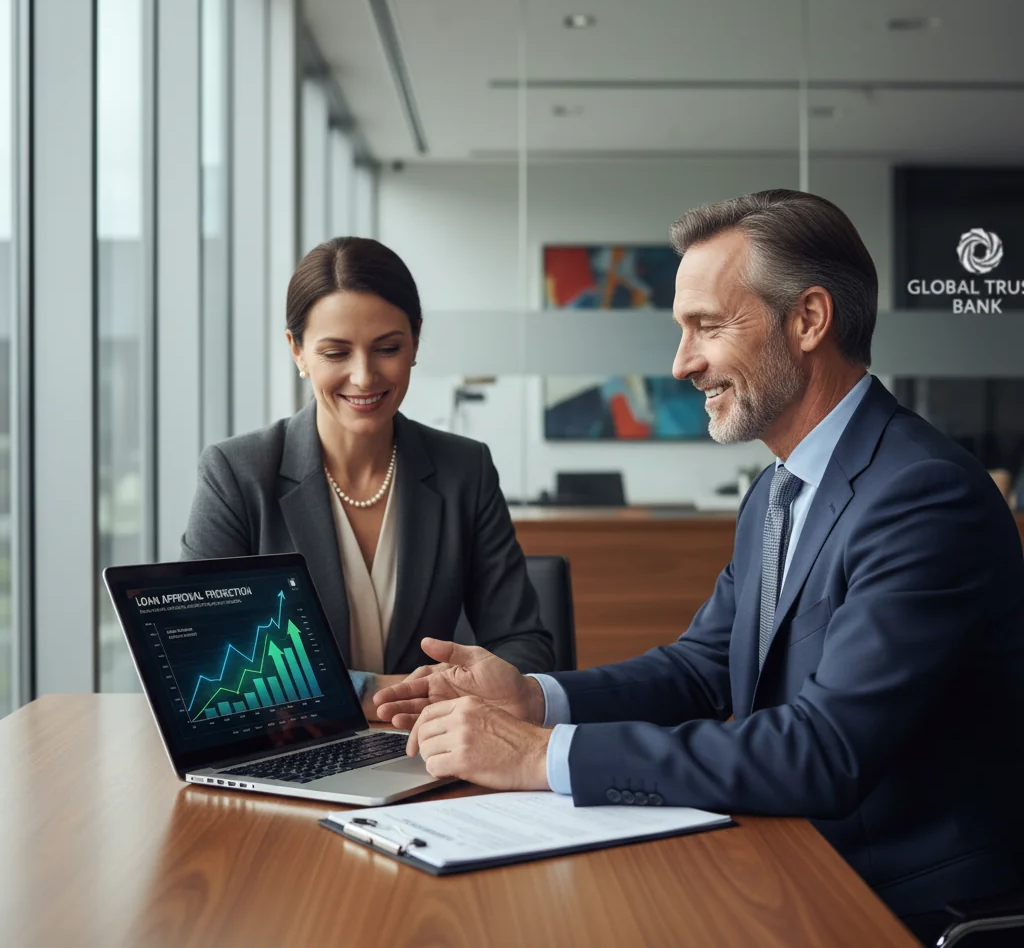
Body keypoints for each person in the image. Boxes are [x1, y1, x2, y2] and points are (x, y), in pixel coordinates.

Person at [375, 191, 1024, 943]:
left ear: (808, 320)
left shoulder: (921, 494)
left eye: (707, 327)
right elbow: (700, 668)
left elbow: (822, 752)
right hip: (790, 859)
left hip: (897, 906)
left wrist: (538, 756)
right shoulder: (776, 494)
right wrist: (533, 700)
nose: (682, 364)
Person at [182, 236, 554, 715]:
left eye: (387, 348)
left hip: (429, 749)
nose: (364, 376)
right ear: (297, 351)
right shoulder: (236, 475)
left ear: (415, 342)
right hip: (286, 752)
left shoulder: (466, 470)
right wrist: (379, 688)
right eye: (336, 353)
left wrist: (474, 690)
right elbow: (198, 661)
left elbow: (526, 646)